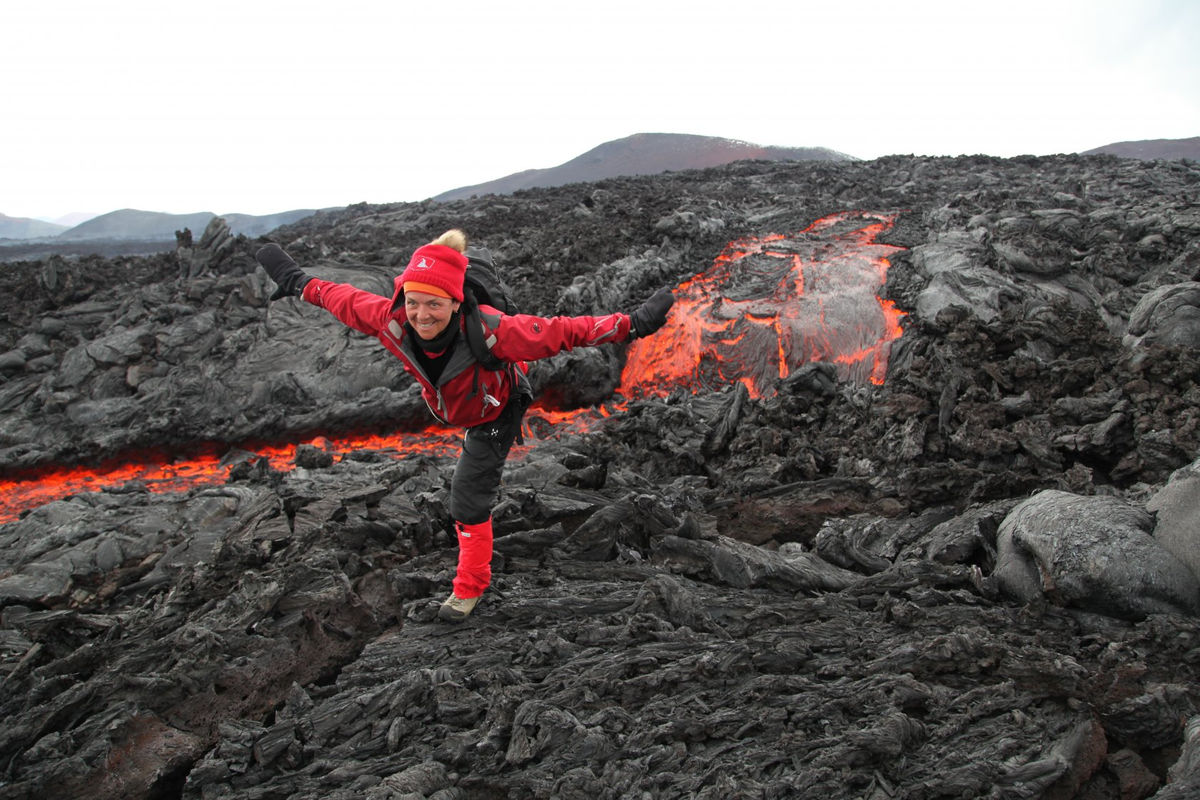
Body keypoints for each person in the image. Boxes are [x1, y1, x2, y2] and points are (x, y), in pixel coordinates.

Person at [255, 229, 674, 622]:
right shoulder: (391, 320)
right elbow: (339, 297)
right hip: (458, 402)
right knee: (468, 483)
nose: (421, 314)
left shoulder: (495, 332)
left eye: (435, 304)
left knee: (467, 498)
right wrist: (294, 279)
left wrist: (633, 324)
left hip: (498, 407)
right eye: (414, 301)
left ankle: (469, 587)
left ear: (456, 303)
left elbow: (564, 332)